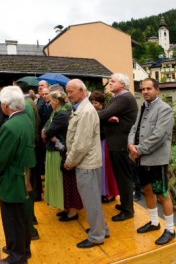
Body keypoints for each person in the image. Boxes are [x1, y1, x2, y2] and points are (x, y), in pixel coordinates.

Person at [0, 86, 35, 264]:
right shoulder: (25, 119)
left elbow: (0, 158)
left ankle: (17, 257)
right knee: (22, 218)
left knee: (12, 219)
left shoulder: (10, 126)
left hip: (12, 179)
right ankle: (23, 249)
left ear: (7, 105)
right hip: (24, 175)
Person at [128, 78, 176, 245]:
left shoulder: (165, 109)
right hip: (141, 158)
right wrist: (130, 145)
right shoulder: (143, 107)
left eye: (149, 89)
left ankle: (170, 229)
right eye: (143, 89)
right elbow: (134, 128)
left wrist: (138, 150)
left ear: (157, 90)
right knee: (147, 190)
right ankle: (155, 222)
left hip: (156, 159)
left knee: (162, 193)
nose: (145, 92)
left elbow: (159, 136)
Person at [64, 79, 109, 248]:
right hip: (89, 162)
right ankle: (103, 229)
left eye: (71, 91)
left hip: (86, 164)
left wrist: (70, 162)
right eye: (67, 91)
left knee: (91, 202)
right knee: (94, 200)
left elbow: (81, 144)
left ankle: (97, 236)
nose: (69, 95)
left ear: (83, 90)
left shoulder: (86, 112)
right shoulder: (83, 108)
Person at [97, 73, 139, 222]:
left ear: (122, 84)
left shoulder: (124, 98)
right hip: (117, 142)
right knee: (121, 176)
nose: (110, 83)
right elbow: (107, 115)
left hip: (121, 143)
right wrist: (108, 117)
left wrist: (105, 116)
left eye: (113, 81)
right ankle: (125, 205)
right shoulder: (118, 98)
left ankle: (128, 210)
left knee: (124, 177)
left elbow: (104, 114)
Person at [42, 90, 82, 220]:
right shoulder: (58, 113)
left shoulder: (61, 115)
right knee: (62, 181)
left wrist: (46, 132)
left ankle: (72, 211)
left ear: (56, 101)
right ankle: (67, 207)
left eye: (51, 99)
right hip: (57, 149)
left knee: (66, 182)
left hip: (61, 151)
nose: (49, 102)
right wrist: (46, 131)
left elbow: (50, 130)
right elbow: (46, 128)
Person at [90, 91, 119, 203]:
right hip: (96, 143)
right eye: (92, 102)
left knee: (105, 168)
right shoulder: (94, 113)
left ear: (101, 103)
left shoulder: (105, 114)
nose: (94, 105)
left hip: (103, 143)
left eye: (96, 103)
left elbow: (105, 130)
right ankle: (101, 192)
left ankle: (108, 193)